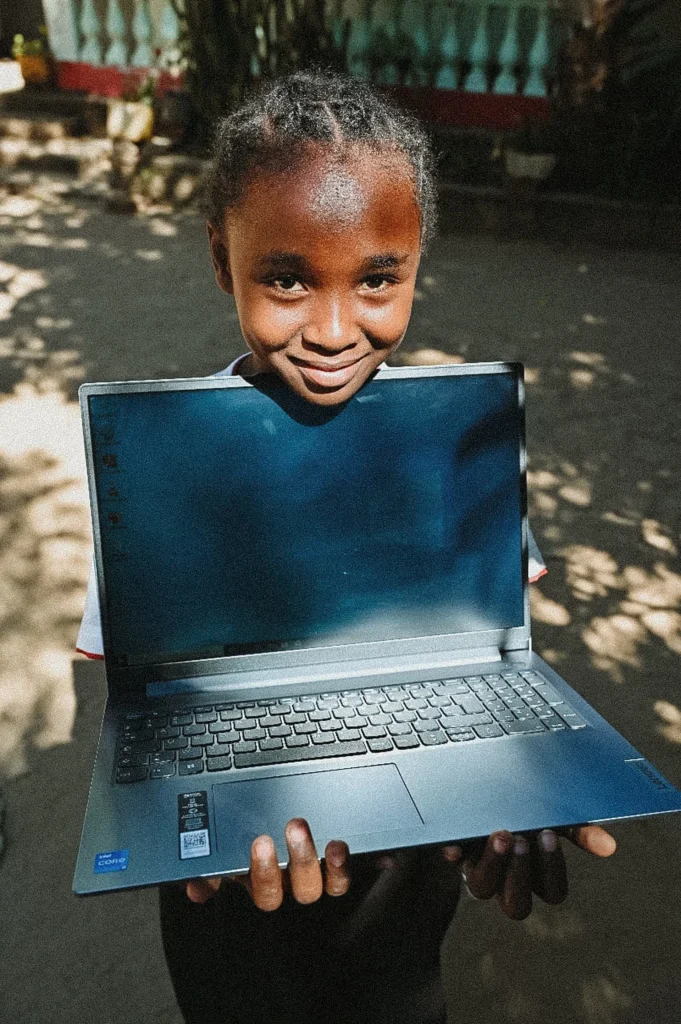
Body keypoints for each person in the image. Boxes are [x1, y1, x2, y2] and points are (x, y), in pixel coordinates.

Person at [76, 70, 617, 1024]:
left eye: (378, 277)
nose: (332, 330)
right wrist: (196, 824)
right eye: (285, 277)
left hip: (406, 884)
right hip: (237, 898)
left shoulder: (455, 447)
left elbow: (484, 653)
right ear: (220, 258)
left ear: (416, 263)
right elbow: (145, 701)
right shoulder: (161, 465)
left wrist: (507, 786)